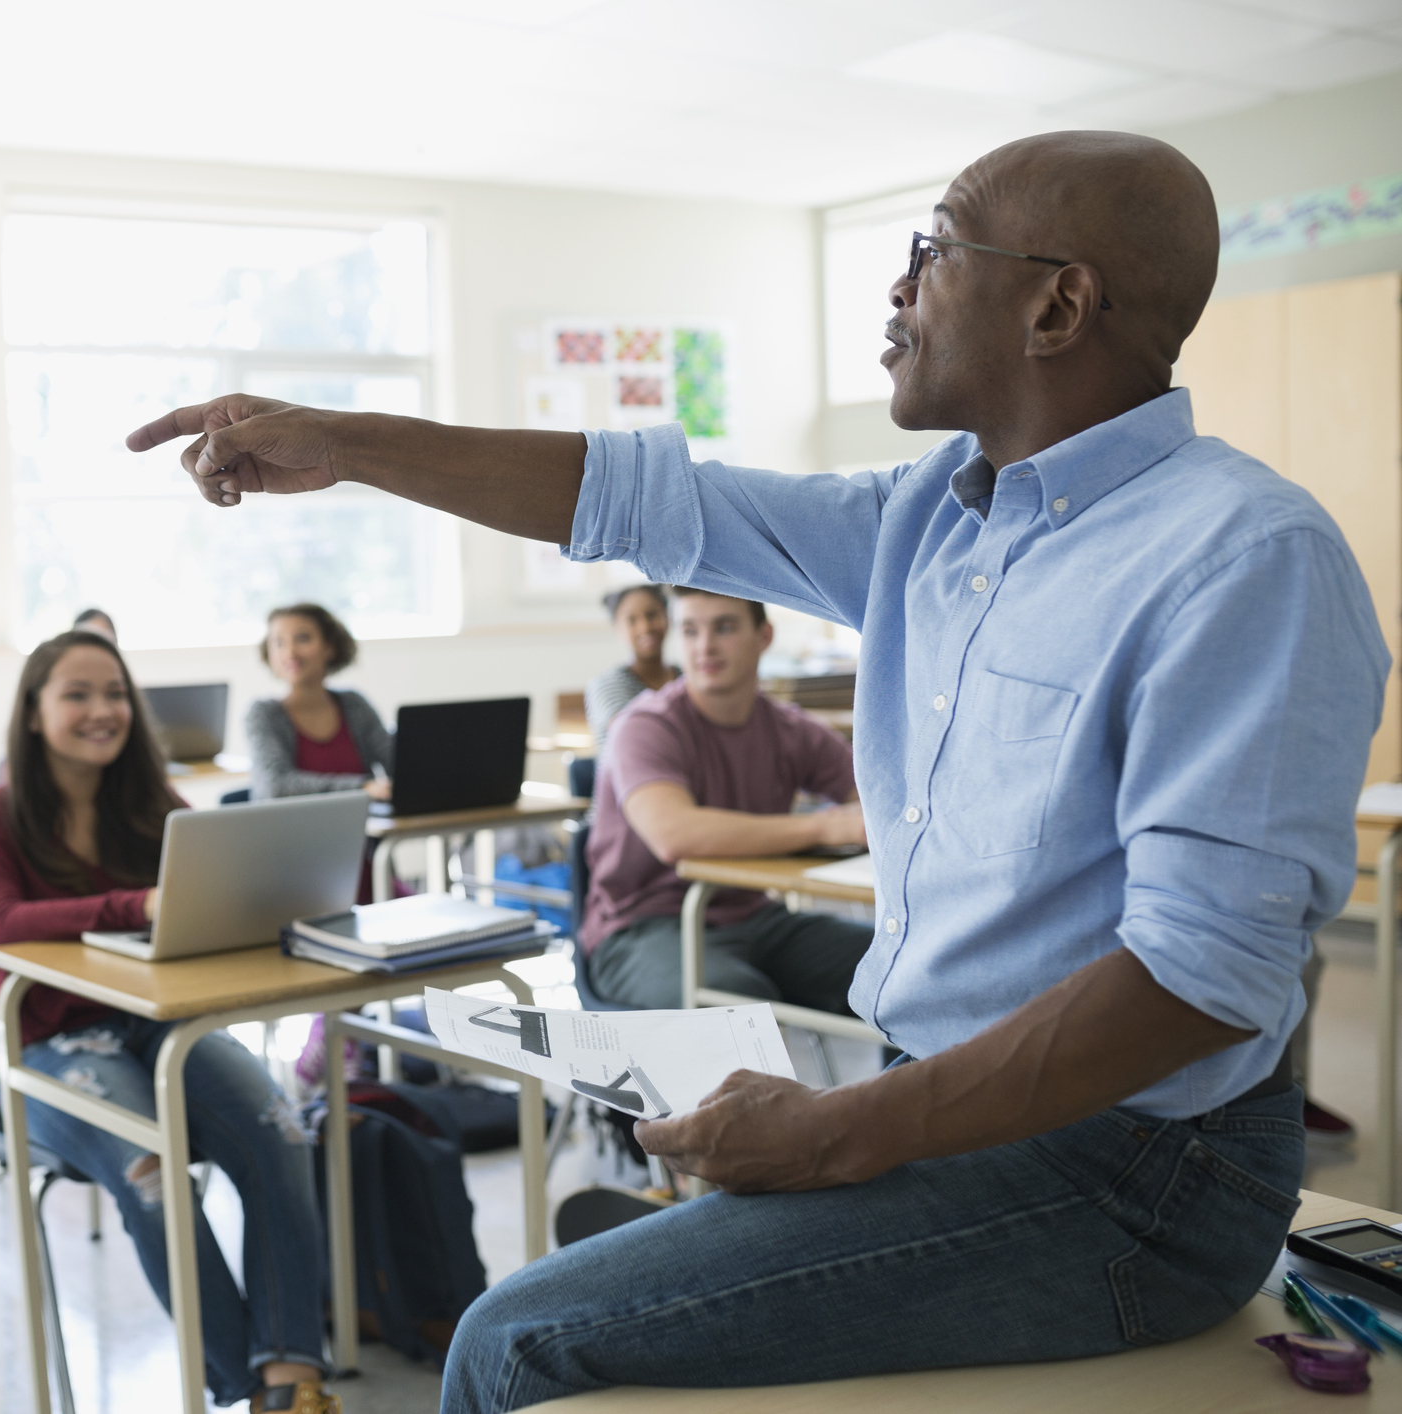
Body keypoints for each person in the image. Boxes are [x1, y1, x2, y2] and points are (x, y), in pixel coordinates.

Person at [128, 130, 1386, 1409]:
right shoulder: (930, 516)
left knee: (511, 1342)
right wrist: (346, 443)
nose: (899, 290)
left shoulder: (1245, 556)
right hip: (960, 1105)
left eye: (934, 251)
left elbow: (1200, 982)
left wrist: (837, 1136)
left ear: (1057, 304)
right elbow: (633, 499)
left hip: (1139, 1176)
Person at [0, 631, 340, 1414]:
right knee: (151, 1170)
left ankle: (288, 1382)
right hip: (44, 1051)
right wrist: (134, 904)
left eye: (116, 694)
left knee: (280, 1131)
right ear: (32, 713)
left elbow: (208, 895)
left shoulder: (154, 807)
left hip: (164, 1030)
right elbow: (1, 923)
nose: (103, 711)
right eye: (78, 695)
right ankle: (242, 1387)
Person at [583, 586, 870, 1012]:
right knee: (736, 1002)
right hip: (641, 928)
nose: (705, 647)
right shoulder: (644, 726)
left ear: (765, 637)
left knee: (901, 964)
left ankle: (901, 1080)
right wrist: (826, 825)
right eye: (690, 630)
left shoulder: (789, 728)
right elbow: (674, 834)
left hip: (754, 916)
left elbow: (878, 800)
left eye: (725, 627)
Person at [245, 603, 392, 802]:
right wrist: (362, 787)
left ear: (329, 647)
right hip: (289, 831)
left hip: (360, 828)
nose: (290, 653)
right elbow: (277, 786)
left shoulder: (354, 704)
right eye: (278, 643)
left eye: (302, 639)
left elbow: (396, 763)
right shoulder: (263, 714)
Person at [582, 583, 677, 747]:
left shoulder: (687, 677)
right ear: (616, 628)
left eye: (652, 615)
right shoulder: (606, 685)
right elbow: (635, 738)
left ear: (667, 619)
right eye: (632, 620)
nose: (645, 627)